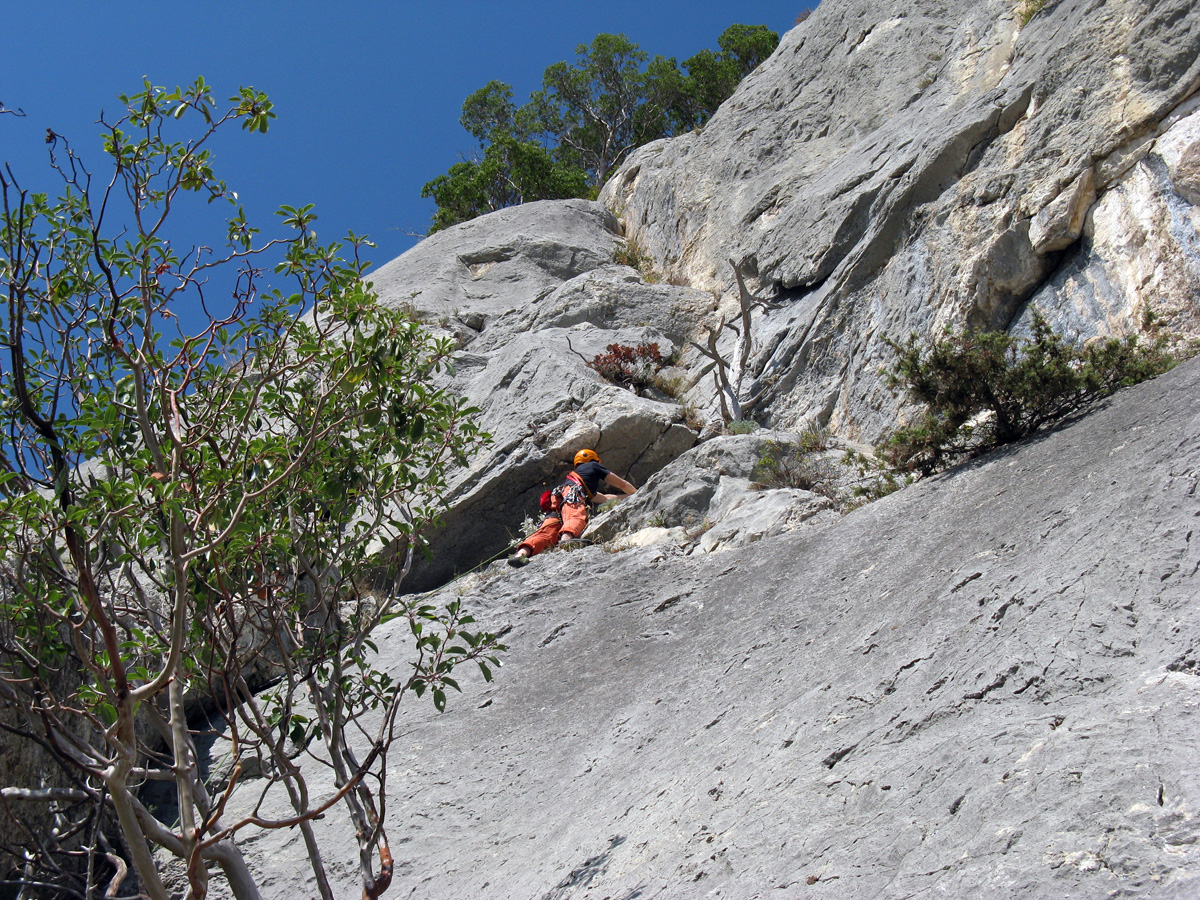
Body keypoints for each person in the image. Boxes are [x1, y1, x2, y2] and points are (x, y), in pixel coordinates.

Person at [509, 449, 636, 566]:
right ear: (593, 459)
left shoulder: (577, 480)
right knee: (575, 517)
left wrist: (627, 497)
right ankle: (566, 541)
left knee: (548, 531)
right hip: (572, 495)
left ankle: (521, 554)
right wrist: (638, 493)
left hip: (558, 498)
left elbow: (605, 498)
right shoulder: (594, 465)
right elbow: (622, 484)